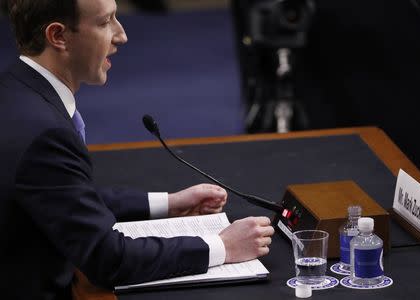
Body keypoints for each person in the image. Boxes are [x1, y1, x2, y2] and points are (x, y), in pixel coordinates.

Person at [0, 1, 275, 299]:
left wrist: (169, 203)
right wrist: (223, 247)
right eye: (105, 23)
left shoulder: (17, 90)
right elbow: (107, 259)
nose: (121, 35)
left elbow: (63, 194)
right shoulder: (45, 133)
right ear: (58, 36)